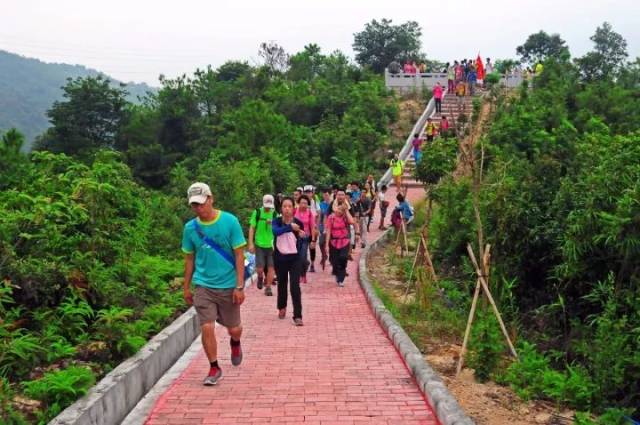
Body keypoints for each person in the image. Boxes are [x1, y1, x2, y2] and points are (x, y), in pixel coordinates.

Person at [181, 182, 247, 386]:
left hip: (228, 285)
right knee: (207, 326)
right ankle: (214, 366)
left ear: (211, 199)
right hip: (203, 285)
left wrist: (239, 286)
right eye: (194, 205)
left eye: (202, 203)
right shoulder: (190, 228)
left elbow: (238, 255)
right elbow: (189, 259)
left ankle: (235, 343)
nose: (199, 208)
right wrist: (186, 286)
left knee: (234, 328)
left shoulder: (230, 221)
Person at [272, 197, 305, 326]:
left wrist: (302, 236)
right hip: (280, 257)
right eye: (284, 206)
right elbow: (275, 232)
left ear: (293, 208)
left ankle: (297, 315)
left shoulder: (298, 223)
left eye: (289, 206)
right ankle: (282, 307)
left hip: (294, 258)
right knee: (282, 284)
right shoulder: (276, 222)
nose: (287, 209)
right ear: (281, 209)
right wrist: (290, 227)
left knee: (295, 286)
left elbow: (301, 240)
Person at [248, 194, 276, 296]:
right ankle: (260, 276)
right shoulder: (257, 212)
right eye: (266, 205)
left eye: (269, 206)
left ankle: (268, 287)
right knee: (260, 268)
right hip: (259, 244)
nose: (268, 208)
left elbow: (279, 227)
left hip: (271, 245)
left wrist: (272, 222)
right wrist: (250, 243)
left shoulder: (275, 214)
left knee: (271, 267)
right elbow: (252, 228)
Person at [325, 195, 355, 287]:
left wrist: (346, 211)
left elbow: (352, 222)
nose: (339, 211)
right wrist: (326, 244)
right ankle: (337, 273)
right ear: (335, 208)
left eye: (341, 210)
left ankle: (341, 278)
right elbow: (329, 230)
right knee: (334, 261)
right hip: (334, 242)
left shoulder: (345, 217)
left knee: (343, 258)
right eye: (338, 208)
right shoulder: (331, 217)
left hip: (344, 241)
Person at [294, 195, 316, 284]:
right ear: (298, 203)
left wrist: (313, 240)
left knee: (302, 256)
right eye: (302, 203)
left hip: (305, 238)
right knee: (297, 257)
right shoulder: (294, 211)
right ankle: (300, 273)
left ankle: (303, 274)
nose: (304, 205)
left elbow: (312, 226)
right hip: (295, 238)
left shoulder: (309, 213)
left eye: (306, 203)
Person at [303, 185, 320, 272]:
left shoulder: (315, 202)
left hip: (312, 228)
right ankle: (305, 262)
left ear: (312, 193)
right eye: (306, 192)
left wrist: (317, 226)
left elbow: (318, 214)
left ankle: (312, 264)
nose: (307, 194)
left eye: (309, 192)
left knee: (312, 247)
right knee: (303, 247)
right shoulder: (301, 203)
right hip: (304, 229)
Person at [318, 188, 332, 270]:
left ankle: (331, 257)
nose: (325, 196)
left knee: (330, 243)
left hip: (331, 226)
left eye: (327, 195)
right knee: (320, 242)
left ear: (330, 195)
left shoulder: (333, 204)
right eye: (324, 195)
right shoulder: (321, 204)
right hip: (322, 226)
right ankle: (324, 255)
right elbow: (319, 216)